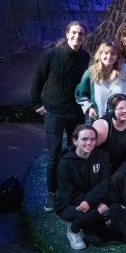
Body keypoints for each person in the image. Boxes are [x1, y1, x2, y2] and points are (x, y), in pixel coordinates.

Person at [31, 20, 91, 211]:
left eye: (81, 34)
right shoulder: (51, 54)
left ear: (84, 37)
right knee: (54, 154)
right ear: (67, 34)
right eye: (74, 33)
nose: (77, 36)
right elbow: (38, 78)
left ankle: (72, 190)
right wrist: (36, 103)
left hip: (75, 111)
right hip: (54, 111)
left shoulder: (84, 57)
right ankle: (52, 194)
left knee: (76, 151)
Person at [54, 124, 111, 250]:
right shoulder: (65, 164)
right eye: (84, 139)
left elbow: (105, 182)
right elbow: (69, 193)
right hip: (69, 203)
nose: (89, 143)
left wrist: (91, 201)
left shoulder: (101, 156)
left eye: (92, 139)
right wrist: (92, 203)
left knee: (98, 240)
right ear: (75, 141)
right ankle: (73, 231)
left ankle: (92, 219)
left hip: (92, 201)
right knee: (92, 214)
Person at [75, 40, 126, 120]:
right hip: (99, 118)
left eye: (113, 54)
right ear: (100, 54)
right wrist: (89, 108)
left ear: (117, 56)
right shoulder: (91, 72)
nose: (109, 56)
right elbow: (80, 93)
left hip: (122, 119)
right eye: (106, 53)